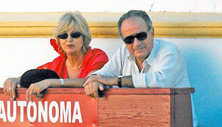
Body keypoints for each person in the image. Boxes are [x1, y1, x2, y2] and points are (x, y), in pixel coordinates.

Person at [83, 10, 198, 126]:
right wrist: (94, 81)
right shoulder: (123, 52)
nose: (136, 43)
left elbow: (161, 81)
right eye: (129, 40)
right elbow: (102, 74)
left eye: (141, 36)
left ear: (152, 32)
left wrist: (115, 81)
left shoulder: (169, 51)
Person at [3, 11, 108, 101]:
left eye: (75, 34)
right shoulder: (57, 63)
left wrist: (52, 82)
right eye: (63, 35)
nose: (69, 39)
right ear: (59, 40)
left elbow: (92, 80)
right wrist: (15, 80)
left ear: (84, 38)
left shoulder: (97, 56)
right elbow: (37, 74)